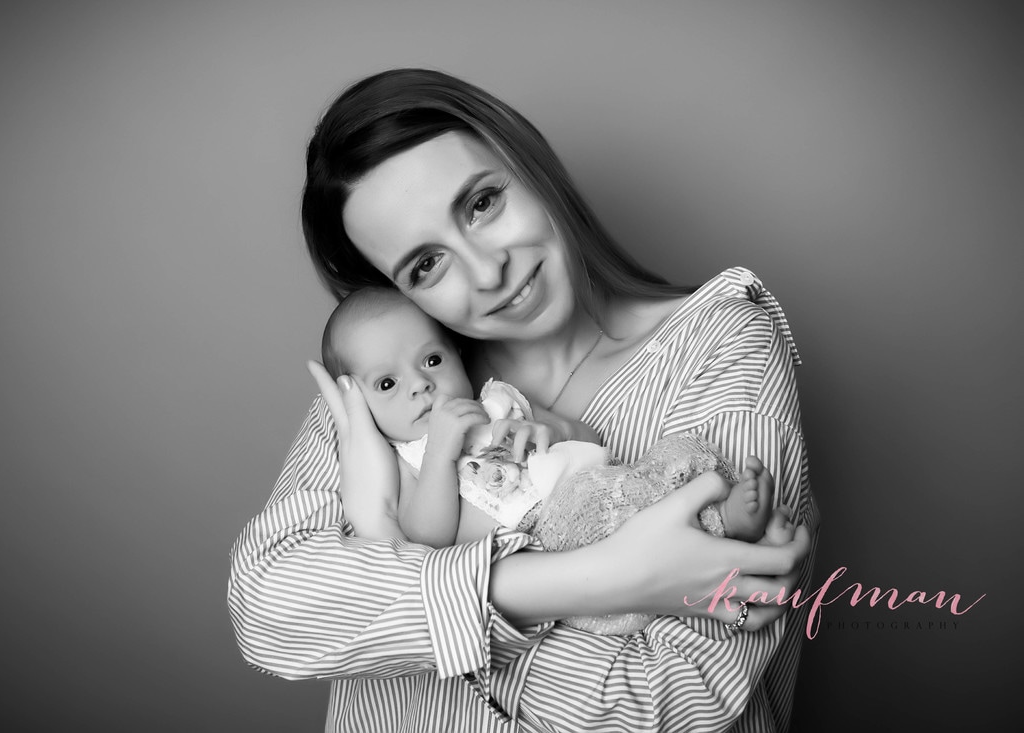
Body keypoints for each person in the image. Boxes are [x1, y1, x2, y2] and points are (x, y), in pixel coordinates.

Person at [228, 68, 819, 732]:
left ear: (529, 162)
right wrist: (601, 578)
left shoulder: (719, 342)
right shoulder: (394, 387)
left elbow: (671, 700)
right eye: (426, 265)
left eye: (482, 203)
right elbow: (270, 607)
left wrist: (406, 603)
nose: (488, 272)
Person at [318, 285, 789, 636]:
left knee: (675, 453)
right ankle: (725, 525)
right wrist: (441, 451)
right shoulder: (407, 459)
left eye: (432, 360)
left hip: (601, 483)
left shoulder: (499, 399)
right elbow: (428, 537)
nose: (421, 384)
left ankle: (720, 509)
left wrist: (555, 431)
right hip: (547, 538)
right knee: (623, 514)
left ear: (456, 354)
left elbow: (590, 438)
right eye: (387, 384)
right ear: (359, 404)